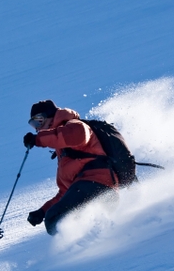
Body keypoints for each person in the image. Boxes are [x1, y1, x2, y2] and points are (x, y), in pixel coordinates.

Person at [23, 100, 118, 235]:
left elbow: (77, 135)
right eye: (33, 125)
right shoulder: (62, 150)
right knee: (55, 218)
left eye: (39, 121)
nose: (38, 128)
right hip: (96, 189)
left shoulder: (74, 125)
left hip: (96, 184)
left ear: (51, 116)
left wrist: (38, 139)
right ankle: (93, 248)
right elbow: (65, 192)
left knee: (56, 218)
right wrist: (42, 211)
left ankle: (82, 246)